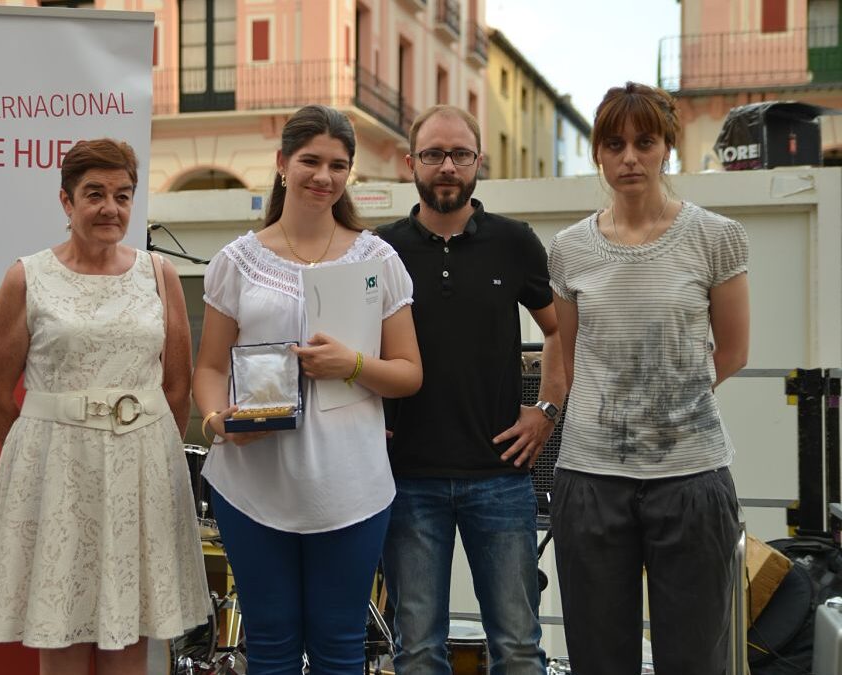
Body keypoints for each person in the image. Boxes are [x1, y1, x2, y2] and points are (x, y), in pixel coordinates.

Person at [191, 104, 423, 674]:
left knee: (340, 647)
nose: (324, 176)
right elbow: (209, 369)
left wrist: (351, 364)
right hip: (252, 485)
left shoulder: (379, 260)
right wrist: (218, 421)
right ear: (281, 164)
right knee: (268, 645)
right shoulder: (236, 261)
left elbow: (410, 373)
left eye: (338, 165)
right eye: (310, 161)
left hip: (352, 486)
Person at [0, 138, 210, 674]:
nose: (110, 208)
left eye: (122, 195)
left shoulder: (160, 274)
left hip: (139, 477)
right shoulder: (26, 277)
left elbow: (177, 388)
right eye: (94, 193)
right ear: (66, 202)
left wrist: (153, 459)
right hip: (57, 477)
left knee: (130, 637)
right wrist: (36, 459)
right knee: (61, 633)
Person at [548, 82, 749, 674]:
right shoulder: (568, 249)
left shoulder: (716, 237)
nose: (629, 157)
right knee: (598, 658)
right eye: (614, 144)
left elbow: (733, 352)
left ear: (667, 148)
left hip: (690, 479)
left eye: (644, 141)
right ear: (599, 155)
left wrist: (664, 404)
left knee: (693, 659)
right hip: (589, 480)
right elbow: (570, 357)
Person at [376, 104, 564, 675]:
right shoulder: (379, 251)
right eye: (434, 154)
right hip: (406, 479)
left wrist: (547, 411)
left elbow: (560, 330)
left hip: (500, 479)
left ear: (479, 162)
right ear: (412, 163)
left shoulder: (516, 243)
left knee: (517, 648)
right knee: (417, 652)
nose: (447, 166)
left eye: (459, 154)